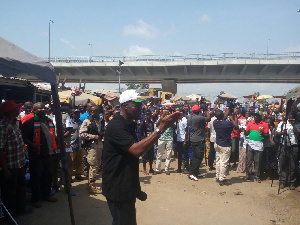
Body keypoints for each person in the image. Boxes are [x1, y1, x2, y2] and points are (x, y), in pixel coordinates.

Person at [102, 90, 181, 225]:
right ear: (125, 106)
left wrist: (135, 189)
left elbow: (134, 150)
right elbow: (136, 150)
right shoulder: (116, 126)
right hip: (117, 187)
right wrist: (160, 129)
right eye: (137, 104)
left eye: (142, 104)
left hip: (127, 185)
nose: (142, 107)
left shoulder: (129, 123)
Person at [21, 102, 58, 208]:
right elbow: (24, 138)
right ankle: (36, 198)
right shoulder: (29, 123)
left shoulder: (49, 121)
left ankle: (46, 195)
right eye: (40, 109)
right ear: (34, 111)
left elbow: (52, 134)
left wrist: (57, 140)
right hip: (37, 154)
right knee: (36, 176)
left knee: (48, 175)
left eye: (43, 108)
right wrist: (33, 145)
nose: (42, 110)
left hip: (50, 153)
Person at [0, 100, 32, 216]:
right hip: (10, 166)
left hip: (20, 163)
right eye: (16, 108)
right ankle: (10, 215)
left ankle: (21, 208)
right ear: (10, 111)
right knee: (10, 192)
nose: (18, 110)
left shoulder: (14, 123)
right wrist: (5, 169)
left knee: (21, 187)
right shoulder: (3, 126)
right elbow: (0, 149)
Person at [79, 105, 103, 194]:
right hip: (91, 146)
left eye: (95, 111)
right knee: (93, 165)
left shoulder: (101, 120)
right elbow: (81, 134)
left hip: (99, 145)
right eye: (92, 111)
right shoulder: (87, 121)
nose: (93, 112)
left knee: (98, 165)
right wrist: (93, 136)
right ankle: (92, 184)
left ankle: (90, 182)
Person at [213, 109, 238, 186]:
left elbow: (222, 118)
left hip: (217, 144)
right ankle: (222, 179)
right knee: (223, 163)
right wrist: (232, 118)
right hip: (225, 145)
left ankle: (217, 176)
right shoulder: (228, 123)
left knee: (218, 161)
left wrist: (228, 110)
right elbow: (236, 127)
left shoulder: (215, 122)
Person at [187, 105, 211, 181]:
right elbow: (208, 118)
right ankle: (192, 173)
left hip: (193, 139)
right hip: (199, 139)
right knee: (199, 157)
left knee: (195, 156)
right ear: (198, 111)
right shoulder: (198, 118)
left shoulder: (189, 117)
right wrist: (207, 110)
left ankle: (195, 172)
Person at [244, 112, 269, 183]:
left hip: (259, 145)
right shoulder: (250, 123)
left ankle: (257, 176)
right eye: (254, 116)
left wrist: (263, 134)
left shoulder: (264, 125)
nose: (255, 117)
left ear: (260, 117)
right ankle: (248, 174)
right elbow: (247, 132)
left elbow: (267, 135)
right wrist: (245, 132)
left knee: (257, 161)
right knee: (249, 161)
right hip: (250, 144)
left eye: (257, 116)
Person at [276, 114, 299, 190]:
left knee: (292, 165)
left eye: (292, 119)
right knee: (283, 164)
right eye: (289, 119)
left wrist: (293, 125)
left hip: (293, 146)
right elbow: (276, 133)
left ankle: (291, 182)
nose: (290, 120)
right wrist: (283, 132)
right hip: (283, 146)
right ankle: (282, 181)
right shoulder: (282, 124)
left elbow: (298, 134)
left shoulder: (297, 124)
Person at [153, 106, 175, 175]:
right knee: (159, 154)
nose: (166, 110)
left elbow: (174, 126)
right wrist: (162, 116)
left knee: (168, 155)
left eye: (167, 109)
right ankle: (157, 169)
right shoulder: (161, 117)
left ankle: (166, 169)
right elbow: (157, 124)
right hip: (161, 138)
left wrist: (170, 120)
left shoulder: (172, 118)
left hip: (169, 138)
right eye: (165, 109)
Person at [140, 109, 155, 175]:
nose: (148, 116)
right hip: (145, 139)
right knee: (144, 155)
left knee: (151, 155)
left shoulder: (151, 122)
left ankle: (151, 168)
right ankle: (144, 169)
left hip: (151, 139)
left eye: (149, 114)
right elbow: (140, 126)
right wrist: (144, 120)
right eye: (147, 114)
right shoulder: (144, 122)